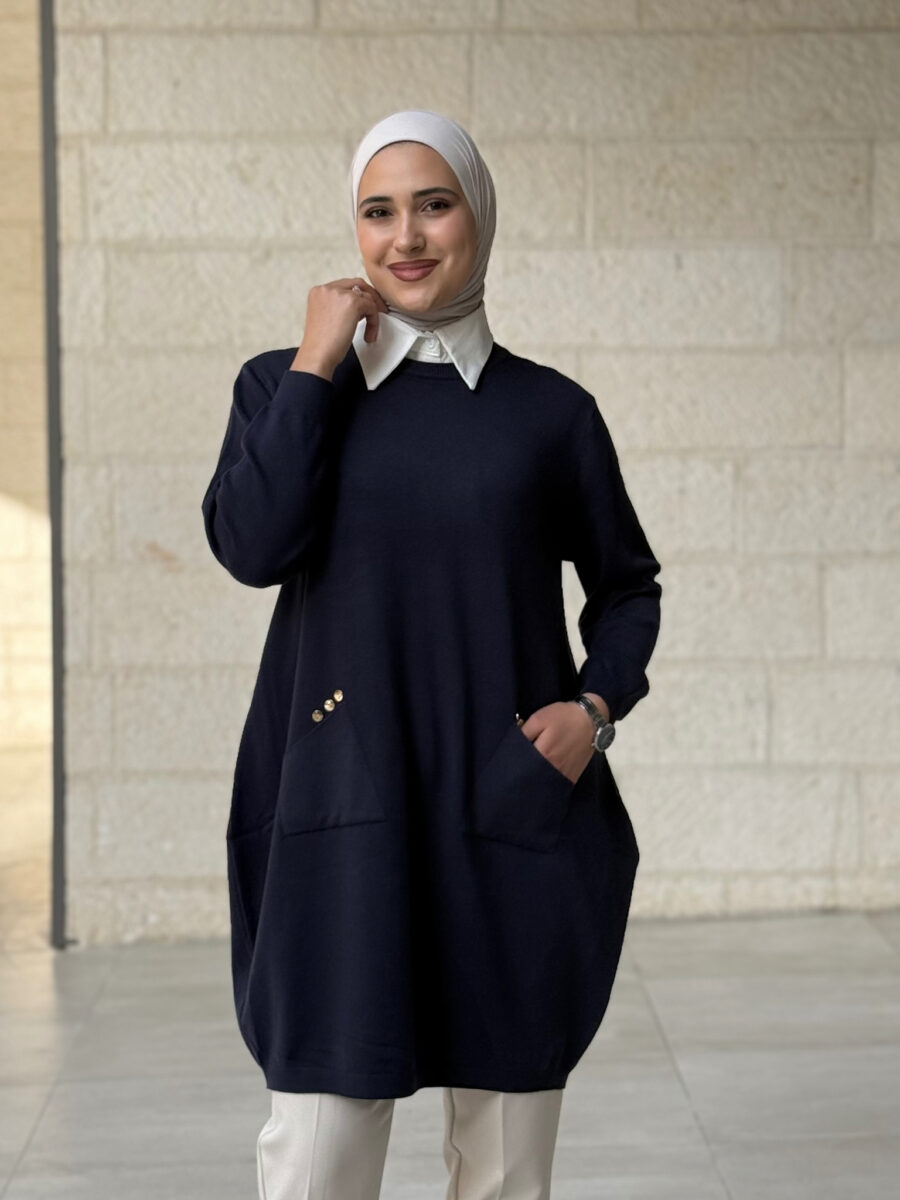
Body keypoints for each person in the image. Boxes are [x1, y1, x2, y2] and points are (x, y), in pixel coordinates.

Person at [201, 108, 662, 1200]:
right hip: (340, 803)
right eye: (378, 212)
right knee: (317, 1154)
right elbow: (251, 546)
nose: (405, 237)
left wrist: (594, 710)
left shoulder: (550, 414)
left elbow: (628, 588)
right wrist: (318, 362)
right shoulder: (284, 387)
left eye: (434, 204)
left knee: (503, 1165)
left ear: (478, 217)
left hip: (507, 799)